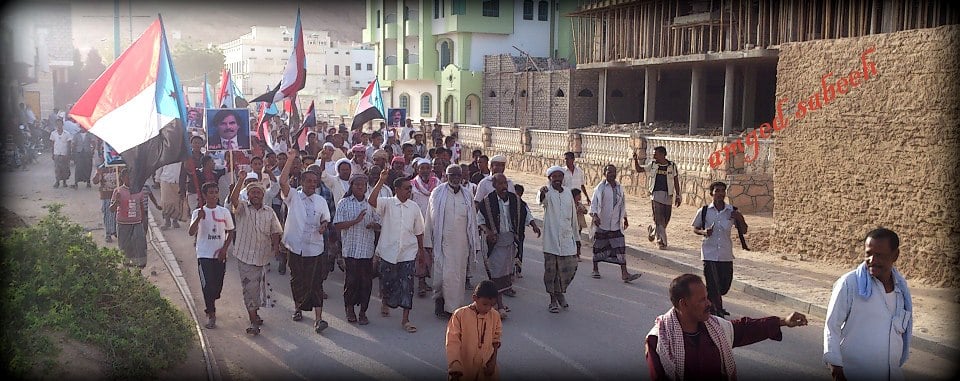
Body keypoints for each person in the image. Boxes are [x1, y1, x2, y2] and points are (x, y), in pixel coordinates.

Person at [645, 274, 809, 381]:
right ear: (684, 303)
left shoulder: (716, 328)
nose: (709, 303)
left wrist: (783, 321)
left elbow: (746, 328)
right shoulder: (659, 340)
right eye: (702, 300)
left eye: (707, 297)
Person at [824, 228, 913, 381]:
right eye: (868, 254)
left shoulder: (901, 289)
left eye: (879, 255)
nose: (872, 259)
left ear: (895, 255)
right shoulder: (849, 284)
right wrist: (836, 366)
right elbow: (832, 326)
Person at [279, 148, 333, 334]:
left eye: (315, 182)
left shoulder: (320, 201)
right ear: (301, 182)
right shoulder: (293, 196)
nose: (312, 184)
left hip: (315, 248)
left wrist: (324, 226)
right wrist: (291, 159)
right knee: (297, 280)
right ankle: (297, 308)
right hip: (295, 247)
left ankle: (318, 320)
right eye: (308, 181)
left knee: (316, 283)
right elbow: (282, 181)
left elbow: (326, 219)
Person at [368, 168, 427, 333]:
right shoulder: (387, 203)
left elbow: (419, 231)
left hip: (407, 252)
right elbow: (372, 201)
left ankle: (405, 319)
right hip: (388, 251)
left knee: (407, 285)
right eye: (406, 188)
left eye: (410, 188)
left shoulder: (414, 207)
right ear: (397, 189)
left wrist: (422, 252)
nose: (409, 190)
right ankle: (385, 301)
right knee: (387, 282)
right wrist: (381, 180)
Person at [227, 172, 282, 335]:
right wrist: (240, 180)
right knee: (249, 288)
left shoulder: (269, 212)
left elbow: (275, 231)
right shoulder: (243, 208)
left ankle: (254, 313)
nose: (256, 195)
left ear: (263, 195)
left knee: (258, 289)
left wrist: (276, 248)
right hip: (245, 256)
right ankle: (253, 322)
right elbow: (234, 200)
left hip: (263, 257)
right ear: (248, 195)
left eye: (258, 192)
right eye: (252, 192)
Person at [478, 174, 540, 318]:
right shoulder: (487, 202)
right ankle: (499, 305)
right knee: (496, 274)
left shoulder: (515, 200)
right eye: (500, 183)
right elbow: (480, 220)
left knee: (505, 273)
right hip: (495, 243)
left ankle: (495, 303)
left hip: (510, 242)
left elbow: (526, 214)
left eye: (505, 183)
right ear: (494, 185)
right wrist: (488, 231)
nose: (503, 186)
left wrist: (534, 225)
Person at [424, 165, 480, 319]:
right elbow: (429, 218)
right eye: (452, 175)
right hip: (443, 243)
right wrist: (428, 242)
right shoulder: (438, 193)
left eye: (458, 175)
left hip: (461, 244)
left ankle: (453, 309)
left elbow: (473, 221)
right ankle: (440, 304)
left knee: (457, 277)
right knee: (442, 276)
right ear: (446, 176)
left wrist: (475, 244)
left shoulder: (467, 195)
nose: (455, 178)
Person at [692, 181, 747, 317]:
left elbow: (744, 230)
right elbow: (695, 228)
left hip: (725, 254)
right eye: (717, 191)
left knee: (724, 286)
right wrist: (704, 232)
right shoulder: (704, 211)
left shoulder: (731, 211)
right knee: (712, 284)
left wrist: (740, 219)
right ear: (712, 193)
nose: (720, 194)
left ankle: (711, 303)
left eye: (722, 191)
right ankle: (715, 311)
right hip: (709, 253)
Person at [333, 173, 381, 326]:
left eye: (363, 184)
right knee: (351, 281)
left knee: (366, 283)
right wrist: (356, 221)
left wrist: (374, 225)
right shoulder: (344, 203)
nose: (360, 187)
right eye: (357, 184)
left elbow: (380, 223)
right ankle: (350, 309)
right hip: (351, 250)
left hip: (366, 250)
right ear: (351, 186)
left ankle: (363, 312)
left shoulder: (371, 204)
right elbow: (337, 225)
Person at [188, 182, 234, 329]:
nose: (214, 195)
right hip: (204, 254)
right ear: (204, 195)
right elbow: (191, 232)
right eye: (211, 193)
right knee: (207, 285)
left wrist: (224, 249)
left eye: (216, 192)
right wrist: (198, 219)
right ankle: (211, 313)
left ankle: (212, 301)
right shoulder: (198, 212)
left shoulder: (224, 212)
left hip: (219, 255)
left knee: (217, 287)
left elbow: (230, 231)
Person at [537, 166, 580, 313]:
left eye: (559, 176)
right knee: (551, 272)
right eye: (553, 177)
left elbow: (573, 216)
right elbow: (540, 200)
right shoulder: (547, 193)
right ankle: (553, 300)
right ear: (549, 178)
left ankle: (560, 292)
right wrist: (542, 192)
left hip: (567, 238)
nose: (557, 179)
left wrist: (577, 238)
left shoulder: (568, 192)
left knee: (569, 268)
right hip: (551, 241)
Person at [589, 164, 641, 283]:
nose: (612, 174)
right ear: (604, 173)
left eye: (613, 172)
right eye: (609, 172)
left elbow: (622, 204)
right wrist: (595, 216)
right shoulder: (600, 188)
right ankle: (595, 269)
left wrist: (625, 218)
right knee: (598, 247)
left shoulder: (619, 188)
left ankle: (625, 273)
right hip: (602, 223)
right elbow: (594, 205)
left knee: (620, 248)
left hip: (616, 224)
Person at [446, 280, 502, 381]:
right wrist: (455, 366)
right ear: (475, 298)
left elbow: (496, 340)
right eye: (485, 304)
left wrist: (493, 361)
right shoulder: (460, 315)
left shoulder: (495, 316)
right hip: (463, 369)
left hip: (486, 368)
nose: (488, 308)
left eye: (492, 305)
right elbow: (452, 342)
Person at [633, 146, 681, 249]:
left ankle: (653, 232)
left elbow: (676, 180)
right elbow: (639, 169)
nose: (654, 155)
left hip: (668, 195)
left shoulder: (672, 166)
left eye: (656, 154)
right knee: (659, 218)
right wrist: (635, 160)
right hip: (656, 194)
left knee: (666, 218)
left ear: (663, 154)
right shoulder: (653, 165)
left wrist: (678, 195)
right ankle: (661, 241)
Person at [110, 168, 153, 269]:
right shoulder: (118, 191)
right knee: (125, 248)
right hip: (123, 224)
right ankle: (126, 269)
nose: (130, 179)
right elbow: (111, 209)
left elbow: (142, 207)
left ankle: (139, 270)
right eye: (127, 177)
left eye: (131, 176)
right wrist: (116, 201)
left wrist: (143, 222)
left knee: (140, 247)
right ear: (122, 178)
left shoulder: (139, 190)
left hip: (137, 223)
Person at [410, 157, 439, 296]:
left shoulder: (438, 184)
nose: (425, 171)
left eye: (428, 168)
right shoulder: (412, 185)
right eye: (422, 168)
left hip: (433, 223)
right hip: (417, 223)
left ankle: (424, 279)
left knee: (430, 253)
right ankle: (420, 282)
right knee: (420, 253)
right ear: (417, 169)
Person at [93, 163, 118, 242]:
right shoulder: (101, 168)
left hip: (117, 195)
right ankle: (108, 233)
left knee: (117, 214)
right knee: (108, 214)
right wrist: (99, 174)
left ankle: (115, 231)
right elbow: (95, 181)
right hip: (106, 195)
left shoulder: (119, 166)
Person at [155, 162, 182, 229]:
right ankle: (167, 221)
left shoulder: (181, 153)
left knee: (176, 202)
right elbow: (159, 166)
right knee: (166, 202)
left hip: (178, 181)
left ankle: (175, 221)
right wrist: (157, 178)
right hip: (165, 180)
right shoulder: (165, 153)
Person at [49, 119, 72, 188]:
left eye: (60, 124)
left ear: (62, 125)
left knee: (65, 168)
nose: (59, 126)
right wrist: (52, 153)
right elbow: (52, 144)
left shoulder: (67, 134)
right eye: (58, 124)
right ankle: (57, 181)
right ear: (56, 125)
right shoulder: (53, 133)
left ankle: (64, 182)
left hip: (64, 154)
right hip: (56, 153)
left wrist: (68, 154)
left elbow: (69, 144)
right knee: (57, 168)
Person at [571, 189, 588, 261]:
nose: (580, 197)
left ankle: (577, 254)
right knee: (573, 240)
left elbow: (586, 211)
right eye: (578, 195)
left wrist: (583, 211)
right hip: (572, 225)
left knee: (578, 239)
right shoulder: (570, 204)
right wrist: (576, 211)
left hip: (579, 225)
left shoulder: (580, 204)